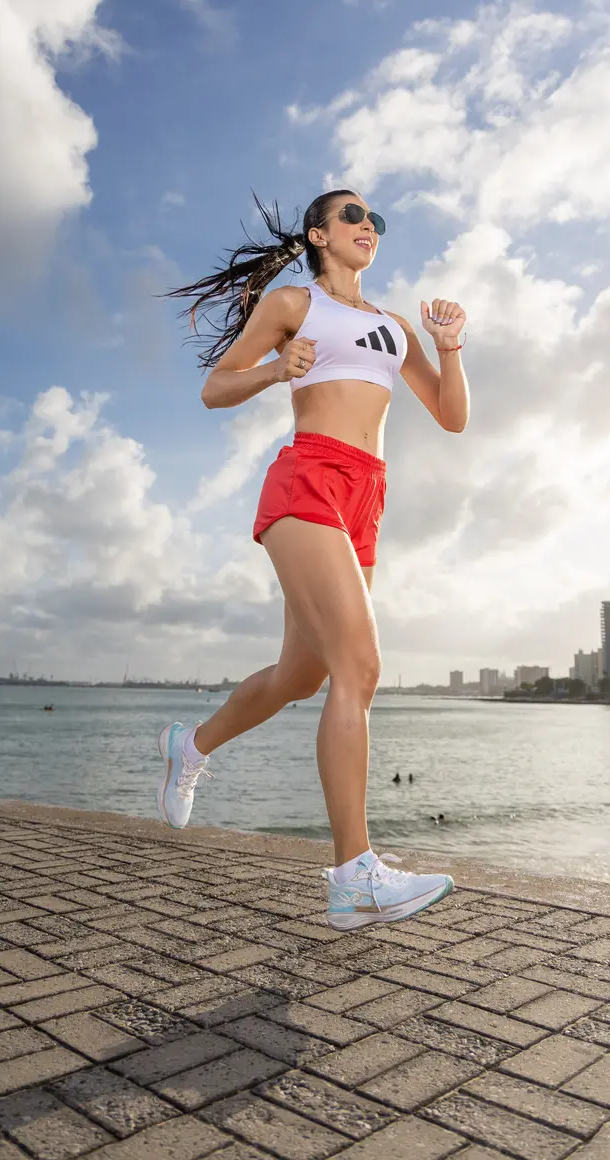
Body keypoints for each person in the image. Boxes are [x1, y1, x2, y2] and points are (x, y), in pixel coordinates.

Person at [157, 190, 469, 930]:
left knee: (303, 675)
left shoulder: (392, 326)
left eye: (377, 223)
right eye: (355, 217)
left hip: (368, 497)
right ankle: (352, 875)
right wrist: (275, 370)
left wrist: (450, 349)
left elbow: (450, 416)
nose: (369, 228)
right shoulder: (292, 303)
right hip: (308, 479)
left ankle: (190, 745)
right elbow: (213, 388)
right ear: (318, 234)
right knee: (359, 667)